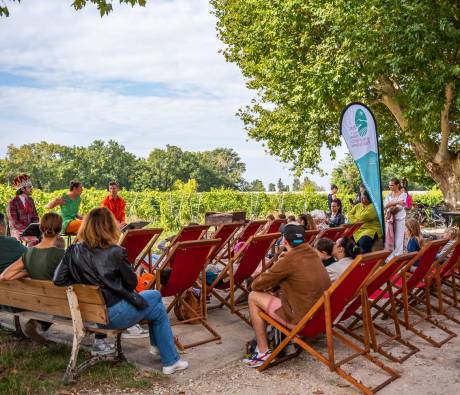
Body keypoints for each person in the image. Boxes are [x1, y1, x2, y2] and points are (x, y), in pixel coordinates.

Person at [53, 207, 188, 374]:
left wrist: (82, 284)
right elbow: (131, 284)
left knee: (156, 306)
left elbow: (58, 279)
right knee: (156, 297)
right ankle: (167, 357)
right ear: (110, 227)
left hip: (89, 314)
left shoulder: (73, 250)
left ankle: (162, 351)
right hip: (112, 315)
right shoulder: (115, 252)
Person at [244, 224, 331, 367]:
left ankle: (263, 351)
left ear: (284, 241)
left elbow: (256, 285)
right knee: (276, 290)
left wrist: (279, 262)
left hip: (303, 320)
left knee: (253, 296)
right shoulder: (312, 254)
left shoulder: (289, 259)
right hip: (320, 316)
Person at [0, 213, 66, 342]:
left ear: (40, 228)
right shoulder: (63, 254)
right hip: (58, 304)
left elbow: (4, 276)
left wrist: (27, 271)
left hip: (33, 301)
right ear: (60, 230)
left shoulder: (29, 253)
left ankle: (38, 323)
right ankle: (39, 323)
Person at [7, 174, 39, 246]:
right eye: (29, 187)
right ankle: (28, 256)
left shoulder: (31, 200)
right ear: (22, 189)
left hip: (31, 229)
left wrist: (35, 226)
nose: (32, 188)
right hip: (17, 230)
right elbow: (14, 222)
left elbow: (35, 217)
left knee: (48, 238)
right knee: (33, 241)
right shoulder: (12, 202)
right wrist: (27, 229)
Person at [384, 178, 407, 259]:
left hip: (399, 220)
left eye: (392, 185)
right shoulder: (388, 195)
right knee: (389, 238)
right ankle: (389, 258)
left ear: (397, 185)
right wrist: (396, 202)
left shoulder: (403, 194)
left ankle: (397, 258)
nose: (390, 186)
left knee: (398, 240)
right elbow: (385, 205)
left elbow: (398, 208)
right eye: (389, 185)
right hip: (389, 220)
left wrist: (390, 206)